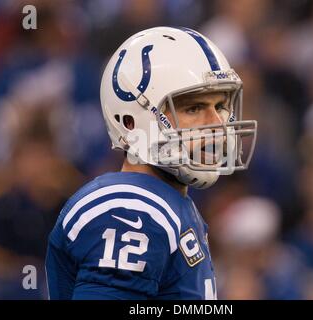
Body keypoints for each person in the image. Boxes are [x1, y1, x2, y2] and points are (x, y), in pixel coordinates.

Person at [45, 26, 257, 300]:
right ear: (131, 121)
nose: (217, 124)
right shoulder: (130, 209)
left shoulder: (168, 203)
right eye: (194, 108)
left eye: (219, 106)